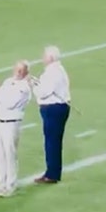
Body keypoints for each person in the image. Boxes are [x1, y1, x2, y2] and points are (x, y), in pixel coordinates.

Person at [0, 60, 32, 196]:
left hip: (12, 123)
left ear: (26, 72)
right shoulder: (8, 82)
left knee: (10, 154)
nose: (18, 72)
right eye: (16, 69)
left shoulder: (24, 88)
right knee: (0, 154)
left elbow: (10, 103)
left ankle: (11, 184)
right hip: (1, 122)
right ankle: (2, 183)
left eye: (21, 70)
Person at [30, 45, 71, 184]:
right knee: (54, 142)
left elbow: (44, 92)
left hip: (53, 109)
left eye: (44, 56)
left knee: (51, 142)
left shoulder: (52, 72)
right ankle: (53, 172)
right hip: (59, 107)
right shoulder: (59, 70)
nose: (42, 58)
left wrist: (34, 85)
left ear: (51, 58)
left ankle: (52, 174)